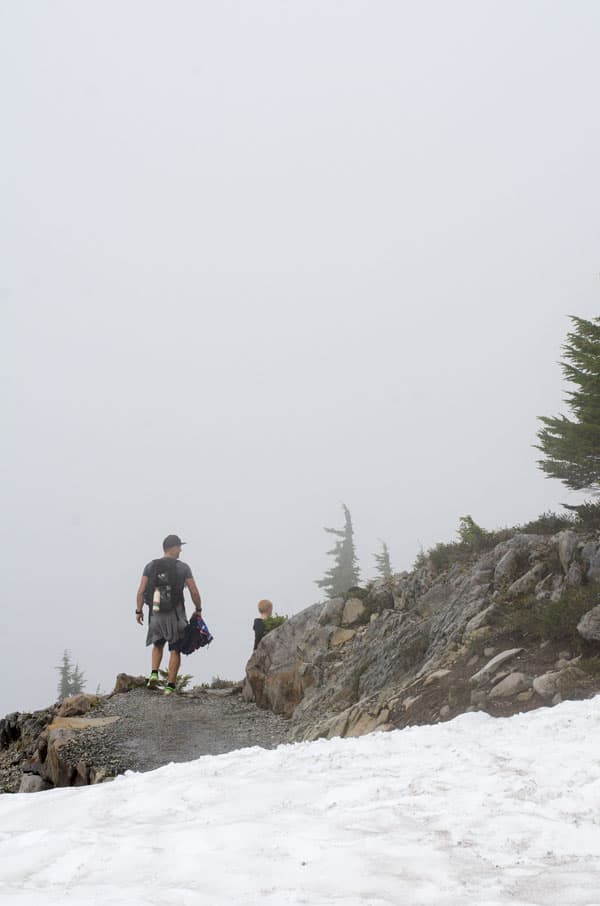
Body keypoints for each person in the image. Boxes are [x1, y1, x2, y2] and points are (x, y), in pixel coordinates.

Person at [135, 534, 203, 694]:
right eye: (179, 546)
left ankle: (153, 674)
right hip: (176, 614)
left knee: (157, 644)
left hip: (156, 612)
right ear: (172, 548)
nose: (180, 550)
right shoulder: (183, 567)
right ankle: (170, 687)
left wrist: (139, 611)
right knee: (175, 649)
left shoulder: (150, 566)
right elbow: (194, 591)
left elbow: (141, 591)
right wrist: (198, 608)